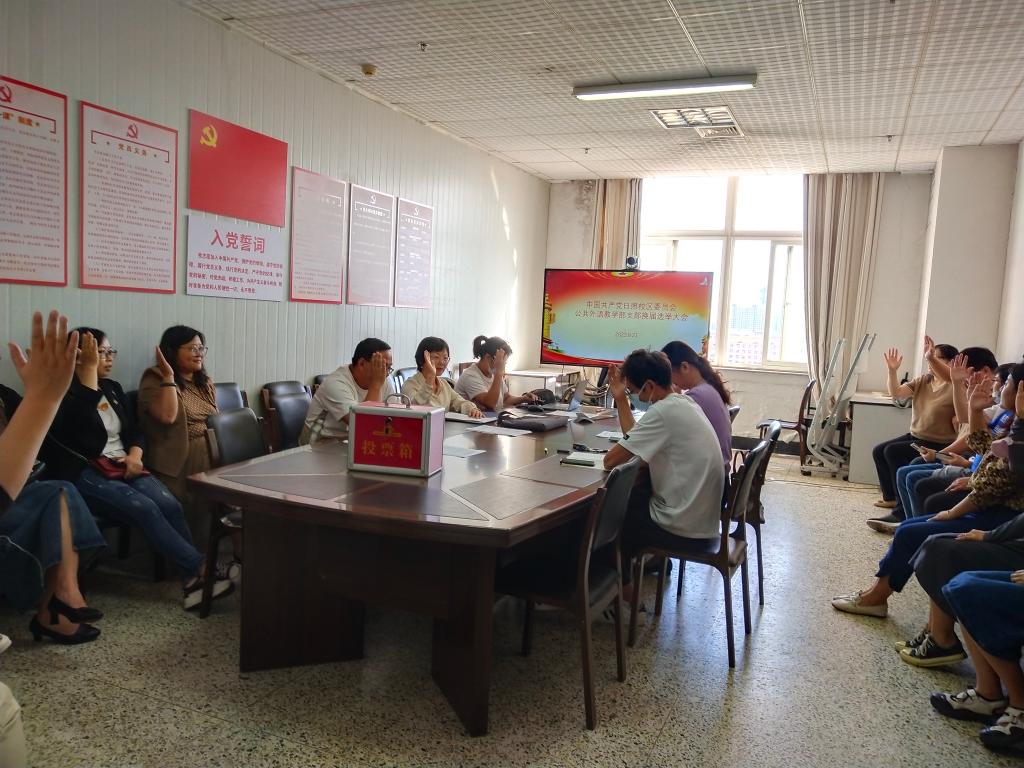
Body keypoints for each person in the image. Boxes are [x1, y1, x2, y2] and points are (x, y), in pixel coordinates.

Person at [48, 328, 232, 610]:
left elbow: (135, 430)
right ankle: (200, 568)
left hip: (124, 463)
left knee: (169, 503)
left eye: (111, 352)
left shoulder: (112, 388)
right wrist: (87, 385)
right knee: (145, 508)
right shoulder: (62, 393)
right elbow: (79, 435)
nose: (110, 358)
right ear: (79, 356)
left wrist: (135, 455)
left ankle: (191, 580)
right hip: (87, 472)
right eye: (102, 353)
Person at [832, 367, 1024, 619]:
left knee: (912, 531)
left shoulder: (1019, 433)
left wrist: (951, 512)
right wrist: (975, 410)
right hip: (990, 507)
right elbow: (983, 449)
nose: (1002, 387)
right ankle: (875, 594)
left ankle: (877, 598)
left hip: (1000, 518)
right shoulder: (1011, 421)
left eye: (1007, 383)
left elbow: (991, 486)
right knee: (908, 526)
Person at [0, 311, 106, 653]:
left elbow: (63, 445)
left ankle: (60, 598)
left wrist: (59, 392)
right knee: (58, 496)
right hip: (9, 496)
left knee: (61, 489)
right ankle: (57, 604)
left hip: (20, 487)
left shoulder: (4, 396)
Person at [602, 350, 725, 602]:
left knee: (610, 516)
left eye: (633, 391)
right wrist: (621, 399)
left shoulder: (663, 412)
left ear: (649, 386)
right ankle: (625, 586)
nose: (635, 397)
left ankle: (623, 594)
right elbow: (636, 439)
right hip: (702, 520)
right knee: (635, 495)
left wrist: (623, 403)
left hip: (684, 528)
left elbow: (610, 460)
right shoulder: (682, 403)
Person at [137, 326, 220, 538]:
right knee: (225, 477)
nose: (199, 353)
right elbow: (167, 416)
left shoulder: (204, 382)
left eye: (201, 348)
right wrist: (169, 376)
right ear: (171, 351)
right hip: (179, 457)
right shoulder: (155, 378)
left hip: (212, 446)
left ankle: (241, 547)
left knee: (239, 465)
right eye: (192, 348)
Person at [868, 336, 958, 521]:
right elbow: (896, 392)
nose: (930, 360)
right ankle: (891, 498)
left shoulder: (954, 385)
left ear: (951, 362)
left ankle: (901, 510)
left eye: (937, 357)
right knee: (879, 451)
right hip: (916, 435)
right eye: (930, 356)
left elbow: (951, 378)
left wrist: (930, 357)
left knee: (893, 452)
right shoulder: (924, 380)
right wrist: (892, 371)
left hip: (938, 442)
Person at [302, 338, 395, 443]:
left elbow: (397, 417)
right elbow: (364, 425)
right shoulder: (335, 383)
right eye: (381, 366)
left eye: (389, 367)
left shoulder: (384, 380)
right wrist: (376, 386)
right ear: (362, 364)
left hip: (351, 443)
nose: (385, 373)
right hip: (317, 445)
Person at [661, 340, 732, 466]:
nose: (669, 381)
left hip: (709, 473)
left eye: (669, 375)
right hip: (718, 469)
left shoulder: (696, 396)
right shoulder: (708, 388)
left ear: (684, 367)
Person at [401, 337, 483, 417]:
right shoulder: (410, 385)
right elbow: (414, 410)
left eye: (445, 358)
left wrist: (472, 409)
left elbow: (460, 402)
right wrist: (430, 378)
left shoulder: (444, 384)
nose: (442, 362)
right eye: (436, 357)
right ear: (422, 359)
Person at [454, 335, 538, 411]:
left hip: (491, 419)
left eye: (504, 363)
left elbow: (506, 398)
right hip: (472, 422)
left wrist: (523, 399)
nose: (503, 366)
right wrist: (499, 372)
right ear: (488, 357)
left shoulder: (495, 373)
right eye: (501, 362)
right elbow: (490, 404)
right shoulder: (470, 375)